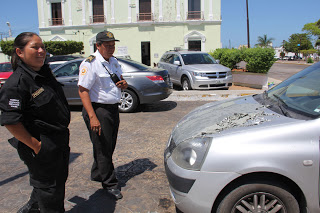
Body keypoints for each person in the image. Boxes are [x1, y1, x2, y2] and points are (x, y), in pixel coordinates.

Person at [0, 32, 71, 212]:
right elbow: (11, 122)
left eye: (43, 47)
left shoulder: (44, 73)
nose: (41, 51)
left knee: (57, 183)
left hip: (59, 141)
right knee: (50, 192)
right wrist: (37, 146)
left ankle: (32, 208)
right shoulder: (17, 84)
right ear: (20, 52)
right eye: (35, 47)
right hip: (41, 146)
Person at [78, 30, 128, 200]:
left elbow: (120, 79)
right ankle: (110, 183)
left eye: (113, 45)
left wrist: (124, 84)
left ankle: (97, 172)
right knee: (104, 147)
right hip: (98, 109)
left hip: (112, 109)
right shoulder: (90, 63)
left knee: (106, 144)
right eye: (107, 45)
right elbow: (83, 90)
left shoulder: (113, 61)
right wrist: (92, 116)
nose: (111, 48)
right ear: (97, 46)